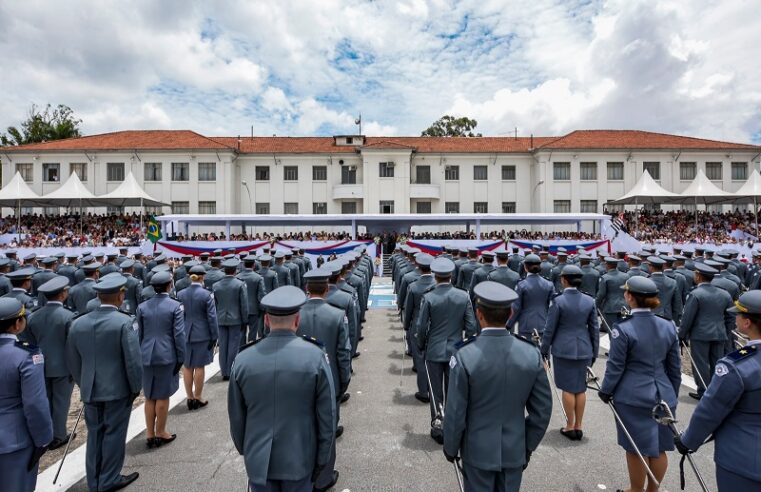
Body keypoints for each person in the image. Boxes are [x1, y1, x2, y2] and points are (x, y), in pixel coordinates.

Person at [443, 281, 552, 492]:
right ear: (511, 313)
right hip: (514, 449)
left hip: (477, 450)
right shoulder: (531, 354)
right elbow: (543, 410)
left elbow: (456, 412)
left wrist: (450, 447)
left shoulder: (465, 355)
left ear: (479, 314)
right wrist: (526, 445)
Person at [228, 286, 336, 492]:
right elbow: (327, 416)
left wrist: (248, 450)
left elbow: (236, 416)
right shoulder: (315, 357)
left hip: (259, 461)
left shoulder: (242, 360)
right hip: (300, 458)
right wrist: (322, 459)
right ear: (297, 321)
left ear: (266, 321)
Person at [598, 276, 681, 492]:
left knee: (636, 448)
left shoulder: (623, 328)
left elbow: (616, 367)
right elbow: (674, 368)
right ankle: (653, 490)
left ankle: (636, 490)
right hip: (664, 394)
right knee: (660, 447)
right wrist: (672, 395)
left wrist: (606, 390)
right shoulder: (668, 325)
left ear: (630, 297)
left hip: (633, 397)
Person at [675, 290, 761, 491]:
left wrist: (688, 441)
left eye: (738, 315)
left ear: (747, 323)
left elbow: (710, 410)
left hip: (744, 459)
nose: (735, 318)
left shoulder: (738, 365)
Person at [65, 274, 143, 492]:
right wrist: (135, 387)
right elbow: (132, 360)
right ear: (120, 295)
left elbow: (72, 361)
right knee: (114, 434)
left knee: (95, 434)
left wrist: (84, 383)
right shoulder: (124, 322)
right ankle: (109, 479)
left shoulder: (77, 324)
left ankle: (95, 480)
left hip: (90, 388)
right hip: (117, 389)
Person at [298, 269, 351, 491]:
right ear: (327, 288)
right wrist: (344, 380)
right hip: (330, 379)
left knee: (302, 425)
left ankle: (304, 470)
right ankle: (324, 477)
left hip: (300, 380)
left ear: (307, 289)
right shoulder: (337, 315)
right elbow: (343, 353)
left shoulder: (295, 313)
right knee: (328, 426)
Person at [414, 256, 477, 444]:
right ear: (451, 275)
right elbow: (471, 326)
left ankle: (438, 423)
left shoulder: (429, 296)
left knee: (435, 391)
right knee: (454, 391)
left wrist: (420, 345)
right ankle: (453, 425)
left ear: (435, 275)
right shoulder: (463, 295)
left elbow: (421, 327)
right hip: (455, 349)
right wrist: (461, 345)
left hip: (434, 348)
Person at [0, 298, 53, 492]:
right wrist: (44, 438)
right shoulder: (26, 355)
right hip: (14, 441)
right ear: (17, 324)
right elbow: (35, 403)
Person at [540, 265, 599, 440]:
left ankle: (569, 425)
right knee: (580, 388)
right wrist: (594, 352)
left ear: (564, 280)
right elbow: (594, 330)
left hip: (563, 349)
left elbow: (549, 330)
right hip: (584, 348)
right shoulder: (589, 301)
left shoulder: (558, 301)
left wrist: (544, 351)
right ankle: (579, 425)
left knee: (567, 388)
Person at [136, 271, 186, 449]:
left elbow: (140, 334)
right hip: (166, 354)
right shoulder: (175, 306)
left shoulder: (142, 307)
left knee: (150, 396)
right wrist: (181, 356)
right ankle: (161, 432)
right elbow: (179, 335)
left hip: (146, 354)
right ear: (169, 285)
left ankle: (149, 433)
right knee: (163, 395)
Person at [26, 276, 77, 450]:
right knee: (61, 402)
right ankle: (59, 435)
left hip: (39, 365)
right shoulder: (68, 316)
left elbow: (29, 343)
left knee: (45, 401)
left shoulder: (33, 317)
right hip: (63, 366)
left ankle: (46, 434)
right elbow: (72, 345)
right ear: (62, 294)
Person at [678, 263, 735, 400]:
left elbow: (688, 318)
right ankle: (717, 389)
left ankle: (704, 391)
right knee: (717, 363)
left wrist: (681, 335)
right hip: (719, 334)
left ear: (698, 276)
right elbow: (731, 316)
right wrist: (725, 331)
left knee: (701, 364)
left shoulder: (696, 294)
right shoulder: (724, 294)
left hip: (700, 335)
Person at [177, 265, 218, 411]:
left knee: (188, 366)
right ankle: (198, 396)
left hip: (185, 333)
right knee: (199, 366)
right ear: (202, 277)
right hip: (202, 334)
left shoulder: (181, 294)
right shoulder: (206, 294)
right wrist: (215, 336)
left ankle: (189, 397)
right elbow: (212, 318)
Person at [403, 253, 436, 403]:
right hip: (435, 327)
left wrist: (406, 326)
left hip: (417, 326)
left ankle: (424, 391)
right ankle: (435, 391)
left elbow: (408, 310)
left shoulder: (414, 287)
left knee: (421, 360)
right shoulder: (437, 285)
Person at [213, 259, 248, 380]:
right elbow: (243, 304)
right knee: (233, 345)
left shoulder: (216, 285)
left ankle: (224, 371)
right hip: (236, 318)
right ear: (235, 270)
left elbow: (215, 304)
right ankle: (231, 369)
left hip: (221, 318)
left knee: (223, 346)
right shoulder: (239, 284)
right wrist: (245, 320)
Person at [507, 254, 554, 338]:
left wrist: (509, 325)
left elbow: (516, 308)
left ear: (525, 267)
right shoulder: (549, 284)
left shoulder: (521, 285)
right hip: (544, 323)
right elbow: (552, 306)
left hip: (526, 325)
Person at [236, 256, 266, 343]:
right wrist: (262, 309)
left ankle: (241, 351)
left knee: (242, 333)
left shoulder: (238, 277)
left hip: (240, 309)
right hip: (254, 309)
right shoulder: (258, 278)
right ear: (253, 265)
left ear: (244, 265)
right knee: (253, 334)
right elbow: (261, 295)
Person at [596, 256, 629, 333]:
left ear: (607, 265)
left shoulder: (605, 277)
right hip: (624, 307)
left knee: (613, 332)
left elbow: (601, 294)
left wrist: (596, 305)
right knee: (625, 330)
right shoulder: (626, 276)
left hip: (610, 308)